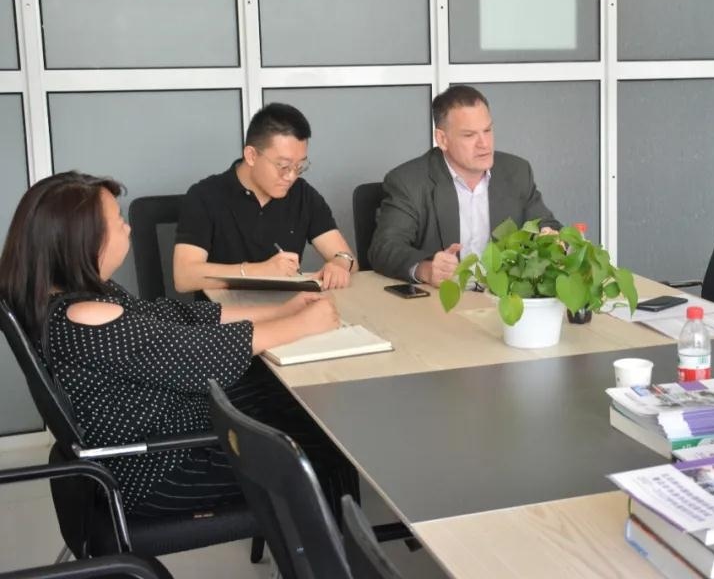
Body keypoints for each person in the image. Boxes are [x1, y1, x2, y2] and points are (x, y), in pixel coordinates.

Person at [0, 172, 353, 517]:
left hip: (163, 423)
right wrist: (302, 324)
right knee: (325, 444)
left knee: (280, 398)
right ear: (84, 240)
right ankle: (330, 548)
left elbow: (174, 316)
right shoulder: (86, 317)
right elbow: (203, 357)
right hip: (160, 467)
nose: (127, 228)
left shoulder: (77, 298)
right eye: (118, 221)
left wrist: (282, 310)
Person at [369, 85, 560, 285]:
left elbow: (547, 225)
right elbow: (384, 248)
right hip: (444, 297)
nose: (484, 143)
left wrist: (552, 239)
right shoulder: (409, 181)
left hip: (502, 296)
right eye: (469, 135)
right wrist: (426, 269)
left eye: (487, 130)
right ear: (442, 139)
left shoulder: (516, 172)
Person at [173, 102, 358, 293]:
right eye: (283, 166)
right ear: (251, 156)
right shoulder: (205, 196)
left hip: (289, 306)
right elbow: (184, 277)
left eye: (299, 166)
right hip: (225, 309)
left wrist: (339, 264)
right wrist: (258, 271)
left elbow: (346, 257)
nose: (291, 176)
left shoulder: (303, 194)